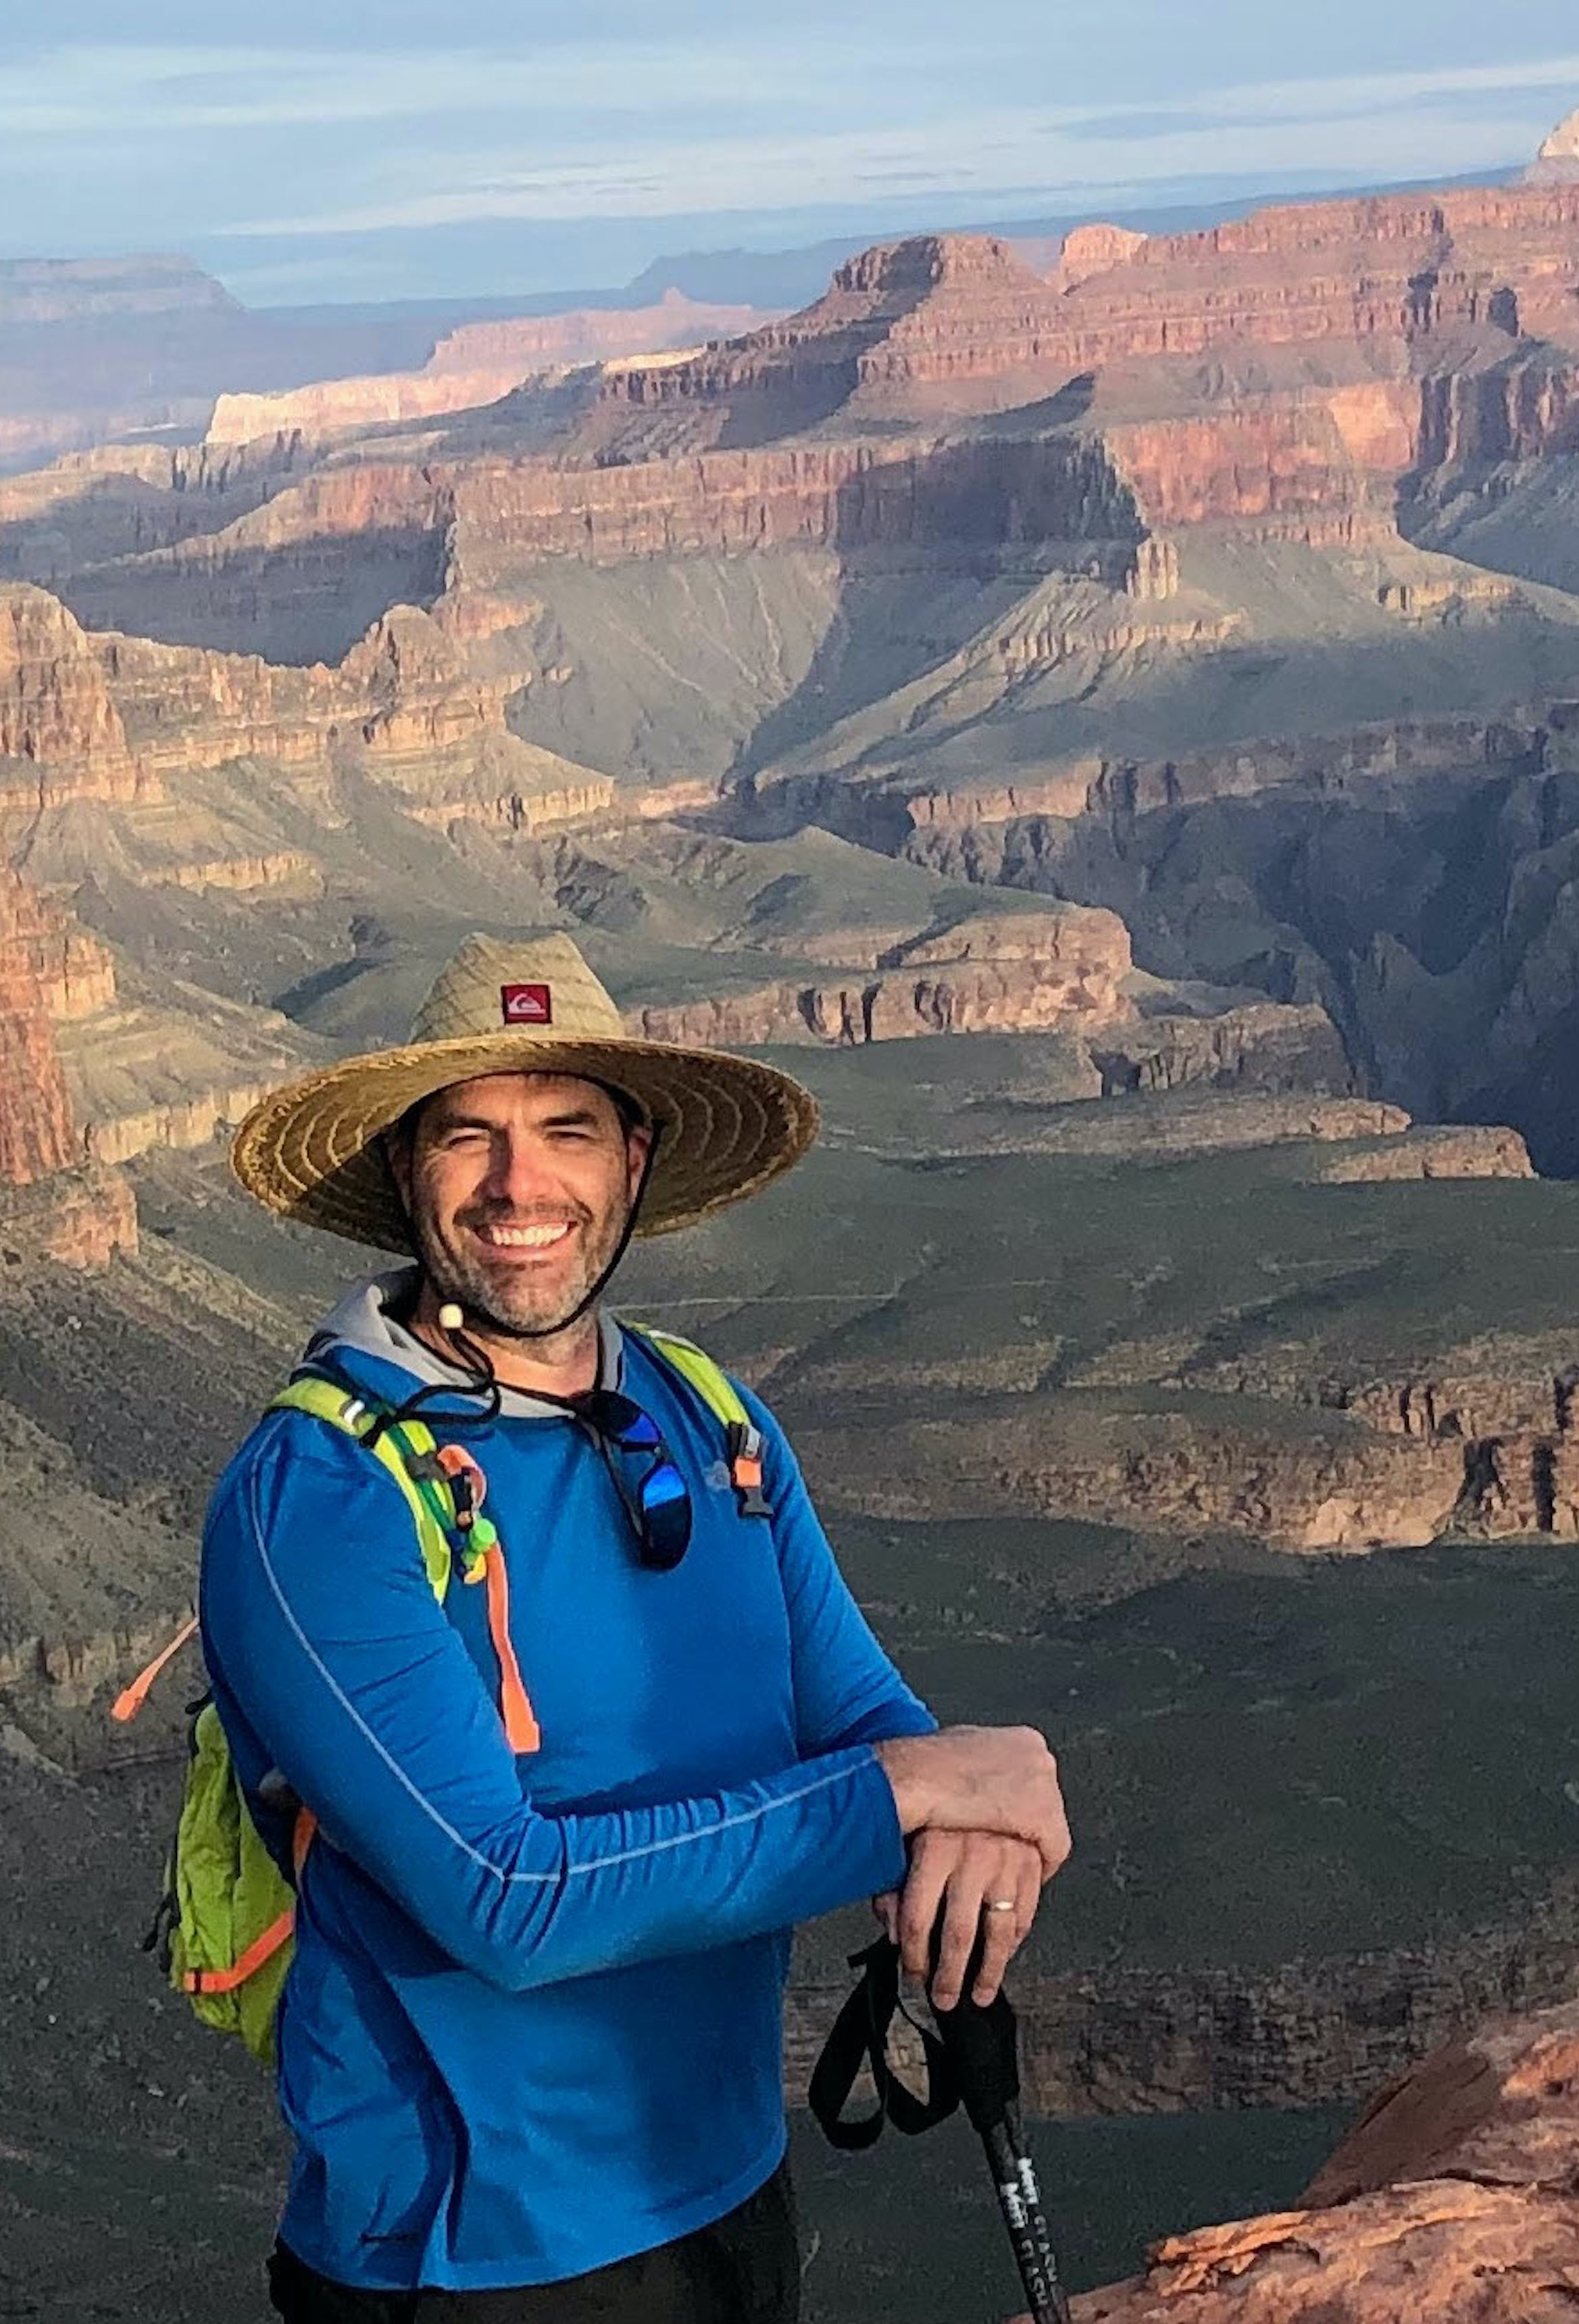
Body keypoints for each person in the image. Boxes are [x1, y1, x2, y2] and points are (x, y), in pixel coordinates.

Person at [201, 930, 1072, 2324]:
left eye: (567, 1131)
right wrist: (923, 1787)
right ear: (403, 1177)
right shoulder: (320, 1495)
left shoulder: (709, 1410)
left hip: (730, 2190)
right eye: (466, 1137)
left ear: (636, 1160)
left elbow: (853, 1704)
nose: (519, 1185)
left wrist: (970, 1826)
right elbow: (510, 1901)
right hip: (473, 2259)